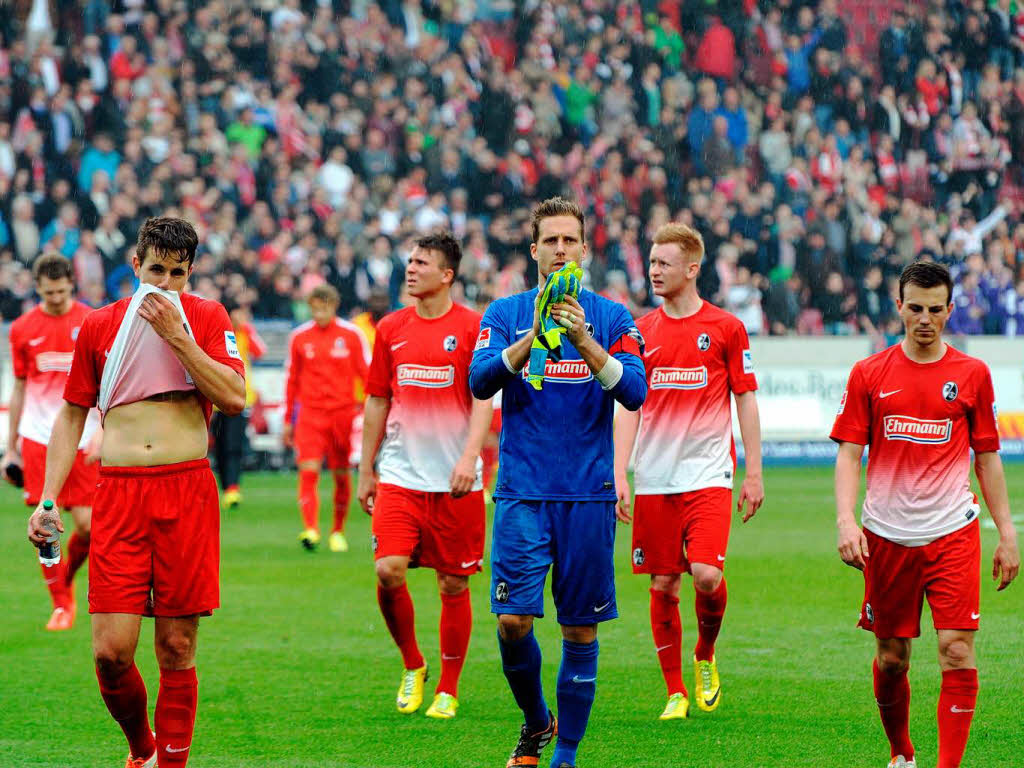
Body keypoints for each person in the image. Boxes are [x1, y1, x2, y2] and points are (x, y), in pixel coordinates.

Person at [26, 216, 246, 768]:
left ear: (190, 271)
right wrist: (48, 500)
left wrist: (178, 336)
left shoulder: (206, 316)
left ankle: (170, 763)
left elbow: (235, 397)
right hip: (120, 495)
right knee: (110, 655)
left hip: (185, 492)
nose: (165, 284)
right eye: (156, 271)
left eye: (177, 273)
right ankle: (141, 750)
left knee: (176, 647)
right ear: (135, 267)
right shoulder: (100, 326)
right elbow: (73, 413)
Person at [469, 197, 648, 768]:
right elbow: (479, 380)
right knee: (512, 622)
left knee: (579, 632)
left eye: (570, 240)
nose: (560, 250)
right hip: (522, 490)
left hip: (588, 494)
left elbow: (635, 392)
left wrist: (582, 340)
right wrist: (535, 335)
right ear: (534, 250)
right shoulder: (505, 312)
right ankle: (536, 720)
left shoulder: (614, 317)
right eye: (551, 241)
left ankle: (565, 755)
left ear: (584, 249)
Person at [831, 261, 1019, 768]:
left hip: (953, 533)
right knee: (892, 657)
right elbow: (850, 452)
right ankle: (901, 753)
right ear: (899, 306)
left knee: (957, 650)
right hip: (887, 537)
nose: (925, 319)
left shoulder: (972, 375)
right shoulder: (869, 374)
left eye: (936, 310)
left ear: (950, 310)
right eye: (915, 308)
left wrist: (1007, 532)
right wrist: (847, 521)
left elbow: (987, 457)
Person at [613, 222, 764, 720]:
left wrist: (755, 472)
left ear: (692, 269)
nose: (654, 270)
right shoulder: (639, 331)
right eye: (652, 262)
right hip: (655, 477)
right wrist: (620, 473)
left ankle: (704, 653)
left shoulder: (725, 328)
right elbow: (629, 405)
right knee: (662, 585)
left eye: (664, 263)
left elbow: (745, 398)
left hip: (709, 475)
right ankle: (675, 690)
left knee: (704, 575)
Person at [357, 232, 493, 720]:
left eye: (422, 263)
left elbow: (484, 396)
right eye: (409, 261)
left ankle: (449, 687)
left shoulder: (475, 328)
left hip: (456, 481)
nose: (410, 269)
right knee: (387, 569)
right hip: (400, 474)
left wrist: (470, 457)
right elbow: (377, 399)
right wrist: (366, 467)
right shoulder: (391, 327)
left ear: (447, 275)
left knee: (453, 586)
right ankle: (413, 663)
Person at [4, 254, 101, 631]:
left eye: (62, 291)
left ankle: (65, 580)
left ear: (71, 285)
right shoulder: (23, 328)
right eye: (49, 292)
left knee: (90, 527)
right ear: (38, 287)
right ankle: (60, 603)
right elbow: (20, 386)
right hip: (38, 438)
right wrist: (10, 447)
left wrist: (103, 430)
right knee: (45, 525)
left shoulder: (91, 321)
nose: (57, 298)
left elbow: (105, 383)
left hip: (82, 437)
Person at [283, 283, 370, 552]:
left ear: (333, 306)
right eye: (315, 309)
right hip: (310, 414)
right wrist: (289, 418)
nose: (319, 314)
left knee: (341, 475)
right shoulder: (299, 337)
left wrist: (370, 409)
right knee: (308, 471)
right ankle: (310, 529)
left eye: (324, 309)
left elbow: (366, 374)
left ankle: (337, 531)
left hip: (343, 414)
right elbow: (292, 380)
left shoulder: (352, 335)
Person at [212, 298, 266, 508]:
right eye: (237, 312)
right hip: (216, 397)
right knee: (220, 446)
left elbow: (261, 351)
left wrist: (247, 329)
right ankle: (226, 487)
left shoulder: (245, 332)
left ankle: (233, 488)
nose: (240, 317)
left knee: (234, 444)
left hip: (240, 397)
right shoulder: (217, 331)